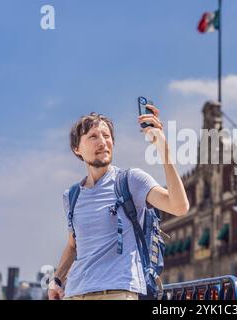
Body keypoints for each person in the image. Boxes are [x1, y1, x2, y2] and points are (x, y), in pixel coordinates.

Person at [47, 105, 189, 300]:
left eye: (106, 136)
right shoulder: (71, 196)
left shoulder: (131, 180)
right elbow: (73, 245)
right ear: (77, 149)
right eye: (93, 137)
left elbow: (179, 207)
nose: (103, 142)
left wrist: (163, 150)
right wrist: (57, 279)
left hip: (118, 292)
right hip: (75, 293)